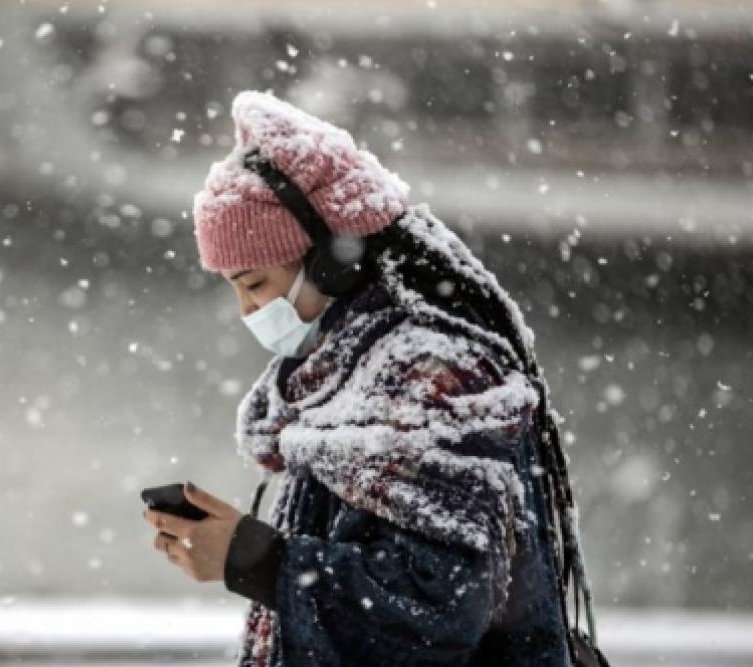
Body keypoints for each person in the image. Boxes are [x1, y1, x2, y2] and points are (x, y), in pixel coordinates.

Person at [141, 90, 600, 665]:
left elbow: (438, 607)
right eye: (233, 288)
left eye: (255, 284)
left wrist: (252, 558)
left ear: (330, 260)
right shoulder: (339, 378)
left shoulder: (430, 377)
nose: (246, 312)